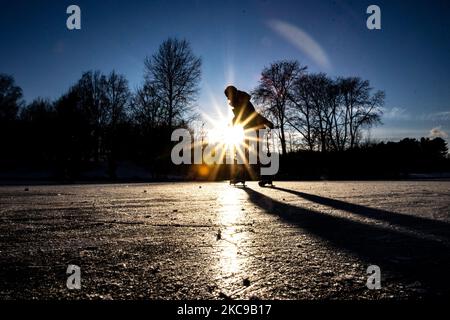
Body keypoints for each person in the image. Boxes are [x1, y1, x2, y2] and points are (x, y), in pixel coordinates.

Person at [224, 86, 274, 184]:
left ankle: (266, 177)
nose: (228, 99)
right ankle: (241, 176)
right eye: (227, 97)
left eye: (228, 96)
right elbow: (241, 117)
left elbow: (251, 115)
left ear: (233, 94)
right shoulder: (238, 103)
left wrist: (267, 122)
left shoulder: (242, 102)